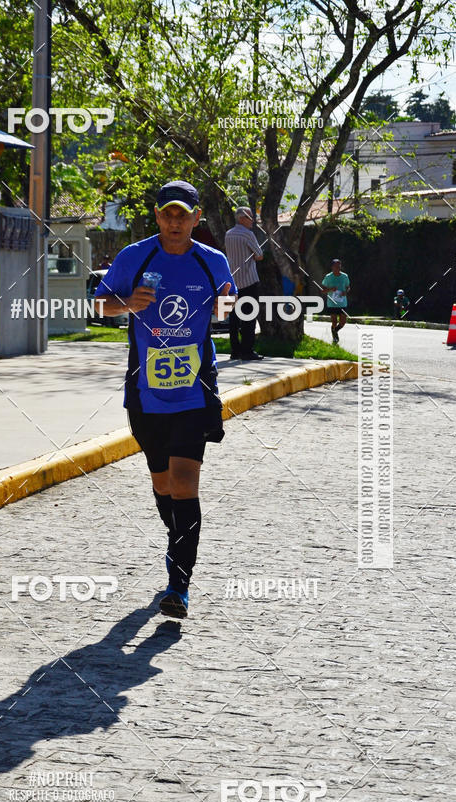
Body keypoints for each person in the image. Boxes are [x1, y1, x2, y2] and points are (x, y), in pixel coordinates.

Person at [95, 180, 237, 619]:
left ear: (197, 218)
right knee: (162, 485)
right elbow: (97, 307)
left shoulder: (211, 260)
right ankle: (176, 543)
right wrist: (125, 305)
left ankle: (179, 583)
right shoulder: (134, 257)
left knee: (184, 483)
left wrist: (227, 308)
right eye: (167, 214)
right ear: (157, 217)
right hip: (145, 392)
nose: (175, 221)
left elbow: (228, 310)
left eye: (184, 214)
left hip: (195, 391)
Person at [224, 207, 264, 361]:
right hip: (249, 280)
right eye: (250, 217)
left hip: (233, 281)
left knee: (234, 318)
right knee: (249, 316)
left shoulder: (228, 234)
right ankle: (247, 350)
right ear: (241, 218)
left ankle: (235, 351)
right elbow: (259, 255)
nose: (252, 220)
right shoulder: (248, 234)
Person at [322, 258, 350, 344]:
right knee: (334, 321)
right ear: (332, 267)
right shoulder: (328, 277)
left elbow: (348, 287)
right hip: (332, 303)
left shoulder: (345, 276)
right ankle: (335, 336)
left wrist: (346, 292)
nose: (338, 267)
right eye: (336, 266)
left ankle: (335, 331)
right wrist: (330, 289)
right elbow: (323, 290)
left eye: (339, 266)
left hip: (342, 302)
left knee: (343, 321)